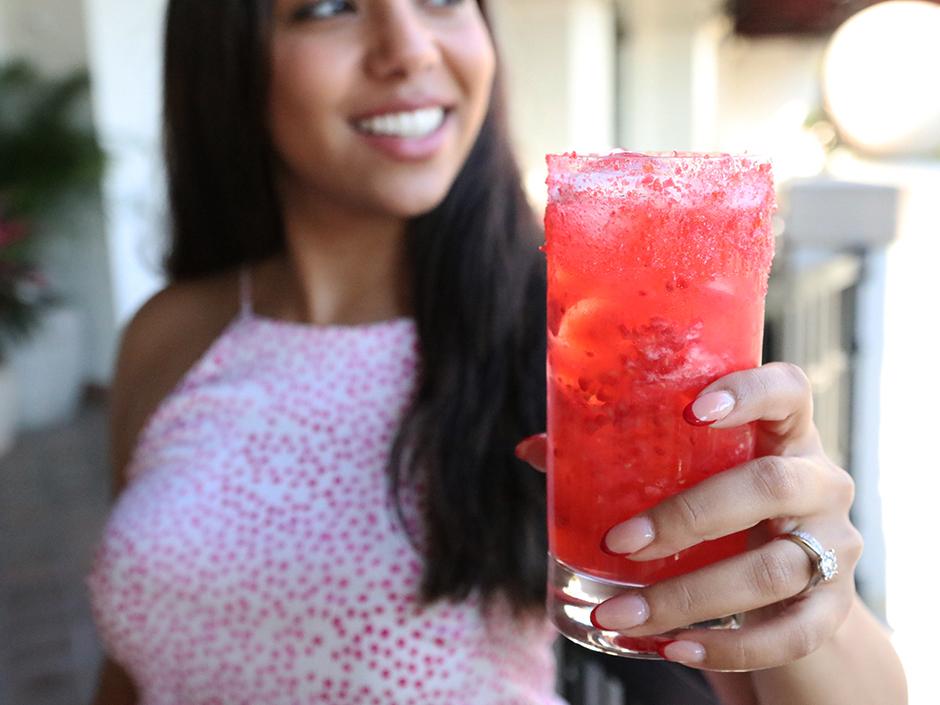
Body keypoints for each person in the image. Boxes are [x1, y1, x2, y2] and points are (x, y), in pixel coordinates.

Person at [86, 1, 907, 704]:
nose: (410, 48)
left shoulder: (580, 341)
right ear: (227, 56)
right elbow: (136, 659)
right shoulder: (171, 335)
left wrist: (800, 584)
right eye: (330, 6)